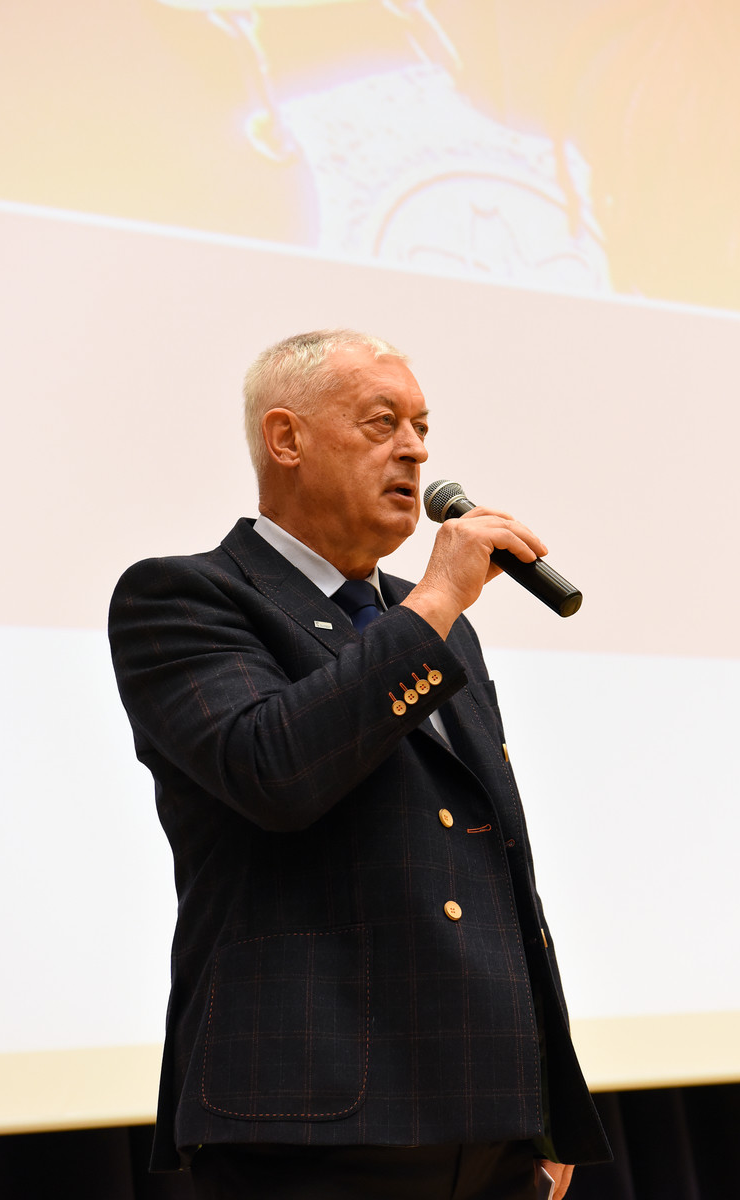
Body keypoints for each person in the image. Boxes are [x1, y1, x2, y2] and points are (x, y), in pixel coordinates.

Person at [108, 329, 610, 1198]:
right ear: (286, 438)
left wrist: (549, 1100)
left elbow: (499, 866)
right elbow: (273, 771)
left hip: (489, 1117)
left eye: (421, 427)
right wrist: (437, 600)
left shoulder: (430, 626)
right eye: (382, 423)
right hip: (312, 1121)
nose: (415, 450)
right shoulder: (186, 597)